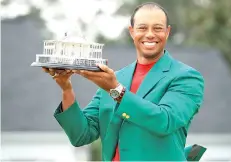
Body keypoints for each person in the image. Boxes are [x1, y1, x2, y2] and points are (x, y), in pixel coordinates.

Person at [43, 2, 205, 161]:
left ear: (167, 32)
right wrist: (66, 88)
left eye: (157, 28)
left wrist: (116, 90)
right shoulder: (115, 78)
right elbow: (81, 135)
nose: (150, 34)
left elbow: (164, 121)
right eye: (142, 28)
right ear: (132, 31)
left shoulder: (186, 77)